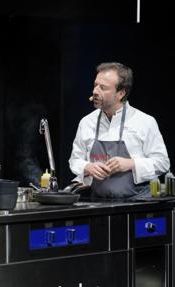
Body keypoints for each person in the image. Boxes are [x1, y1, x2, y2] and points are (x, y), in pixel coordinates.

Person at [69, 62, 170, 199]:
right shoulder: (86, 122)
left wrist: (131, 163)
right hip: (98, 203)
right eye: (95, 85)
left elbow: (162, 163)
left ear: (121, 93)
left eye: (103, 88)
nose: (95, 91)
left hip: (137, 203)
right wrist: (87, 167)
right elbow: (75, 160)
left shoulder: (145, 122)